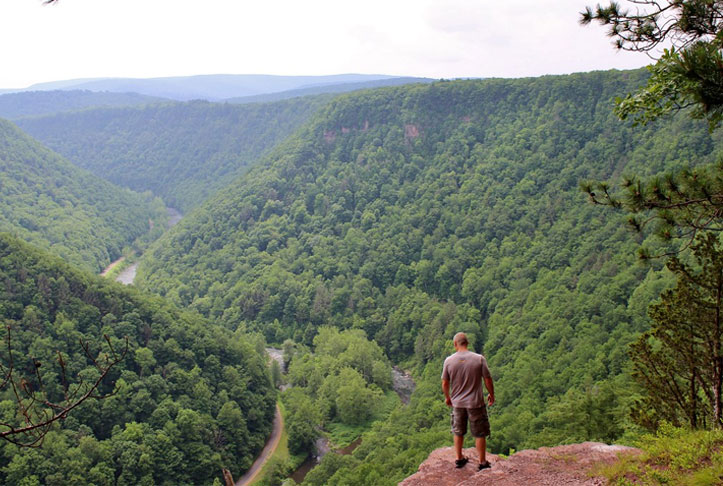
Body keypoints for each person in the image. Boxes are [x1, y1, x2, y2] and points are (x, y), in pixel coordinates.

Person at [441, 332, 495, 470]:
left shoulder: (449, 361)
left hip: (457, 403)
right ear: (467, 343)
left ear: (455, 344)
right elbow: (487, 379)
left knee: (458, 431)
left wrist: (448, 397)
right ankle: (482, 462)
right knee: (479, 433)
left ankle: (459, 459)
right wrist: (491, 394)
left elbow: (445, 383)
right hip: (476, 402)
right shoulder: (479, 359)